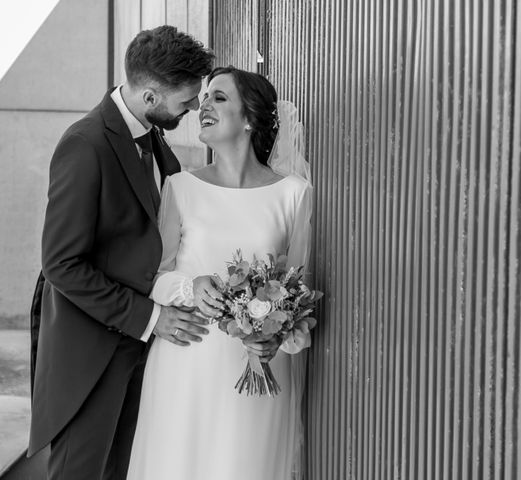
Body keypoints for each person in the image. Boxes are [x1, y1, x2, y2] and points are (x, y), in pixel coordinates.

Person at [28, 25, 215, 479]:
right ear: (150, 95)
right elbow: (61, 264)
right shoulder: (85, 144)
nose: (193, 108)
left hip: (138, 350)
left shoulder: (152, 133)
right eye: (186, 99)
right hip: (91, 353)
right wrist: (152, 318)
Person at [126, 67, 314, 480]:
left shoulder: (294, 194)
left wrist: (281, 339)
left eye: (218, 97)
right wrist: (189, 286)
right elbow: (153, 276)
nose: (203, 105)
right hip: (187, 358)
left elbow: (301, 289)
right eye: (204, 97)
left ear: (249, 118)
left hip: (260, 368)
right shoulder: (180, 187)